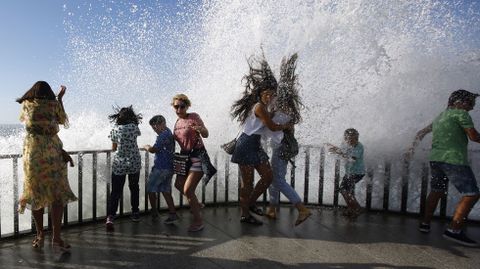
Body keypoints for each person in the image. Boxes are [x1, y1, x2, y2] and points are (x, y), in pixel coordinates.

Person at [407, 89, 480, 247]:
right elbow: (474, 136)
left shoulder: (440, 116)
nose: (472, 108)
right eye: (470, 103)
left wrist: (411, 149)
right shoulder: (461, 114)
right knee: (471, 193)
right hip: (453, 159)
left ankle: (425, 223)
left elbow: (420, 133)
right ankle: (454, 230)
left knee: (437, 190)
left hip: (436, 160)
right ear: (458, 102)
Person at [230, 55, 293, 225]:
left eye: (272, 94)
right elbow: (271, 127)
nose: (269, 97)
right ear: (260, 93)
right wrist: (285, 126)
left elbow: (264, 121)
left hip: (254, 144)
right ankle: (245, 214)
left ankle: (250, 203)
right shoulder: (259, 106)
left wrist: (274, 115)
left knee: (268, 177)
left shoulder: (262, 108)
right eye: (266, 94)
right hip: (246, 145)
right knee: (248, 183)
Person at [17, 81, 77, 252]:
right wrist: (60, 99)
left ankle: (40, 235)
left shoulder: (27, 105)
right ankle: (56, 238)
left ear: (32, 92)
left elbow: (26, 122)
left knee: (36, 194)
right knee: (57, 196)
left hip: (33, 156)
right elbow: (62, 120)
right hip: (54, 154)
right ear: (50, 93)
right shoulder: (54, 105)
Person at [263, 54, 311, 226]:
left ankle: (302, 209)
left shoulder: (279, 109)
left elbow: (271, 126)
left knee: (277, 180)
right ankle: (272, 208)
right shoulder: (289, 109)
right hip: (283, 147)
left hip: (281, 148)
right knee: (274, 178)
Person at [172, 94, 216, 232]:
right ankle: (196, 204)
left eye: (181, 106)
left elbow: (206, 134)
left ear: (187, 106)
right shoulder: (177, 122)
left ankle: (198, 222)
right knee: (178, 185)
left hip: (198, 156)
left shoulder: (194, 117)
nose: (179, 109)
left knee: (188, 190)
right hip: (185, 157)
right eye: (176, 106)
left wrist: (201, 129)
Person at [105, 106, 142, 231]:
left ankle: (111, 216)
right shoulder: (134, 127)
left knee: (116, 191)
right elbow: (136, 137)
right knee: (134, 187)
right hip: (134, 162)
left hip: (120, 163)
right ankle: (135, 212)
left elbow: (114, 148)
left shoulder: (115, 129)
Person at [143, 115, 178, 224]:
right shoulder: (168, 132)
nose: (155, 129)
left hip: (161, 167)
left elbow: (154, 149)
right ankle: (173, 214)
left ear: (163, 123)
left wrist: (147, 147)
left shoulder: (163, 135)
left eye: (156, 126)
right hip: (169, 167)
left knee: (150, 188)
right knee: (165, 190)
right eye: (153, 128)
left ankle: (154, 212)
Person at [326, 128, 365, 219]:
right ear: (345, 138)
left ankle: (357, 208)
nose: (351, 140)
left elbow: (352, 159)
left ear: (357, 137)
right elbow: (343, 151)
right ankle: (352, 209)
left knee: (345, 190)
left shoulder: (359, 146)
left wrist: (339, 152)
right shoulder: (346, 144)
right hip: (349, 173)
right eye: (348, 138)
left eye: (353, 138)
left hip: (357, 173)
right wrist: (334, 148)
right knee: (345, 191)